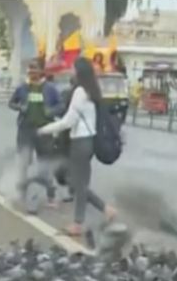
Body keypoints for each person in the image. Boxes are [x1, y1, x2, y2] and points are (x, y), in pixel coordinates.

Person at [38, 58, 117, 237]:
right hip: (88, 141)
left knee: (77, 184)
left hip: (80, 142)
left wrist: (45, 130)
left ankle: (82, 221)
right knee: (79, 183)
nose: (71, 71)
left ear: (79, 72)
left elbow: (68, 121)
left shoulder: (80, 92)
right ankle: (103, 211)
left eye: (73, 69)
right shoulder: (91, 90)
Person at [8, 61, 62, 211]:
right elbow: (11, 103)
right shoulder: (22, 88)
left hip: (44, 131)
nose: (31, 72)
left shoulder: (50, 89)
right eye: (30, 69)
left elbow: (61, 105)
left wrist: (50, 112)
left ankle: (51, 196)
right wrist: (20, 107)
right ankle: (21, 194)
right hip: (25, 130)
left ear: (41, 71)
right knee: (23, 163)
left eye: (34, 69)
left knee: (44, 164)